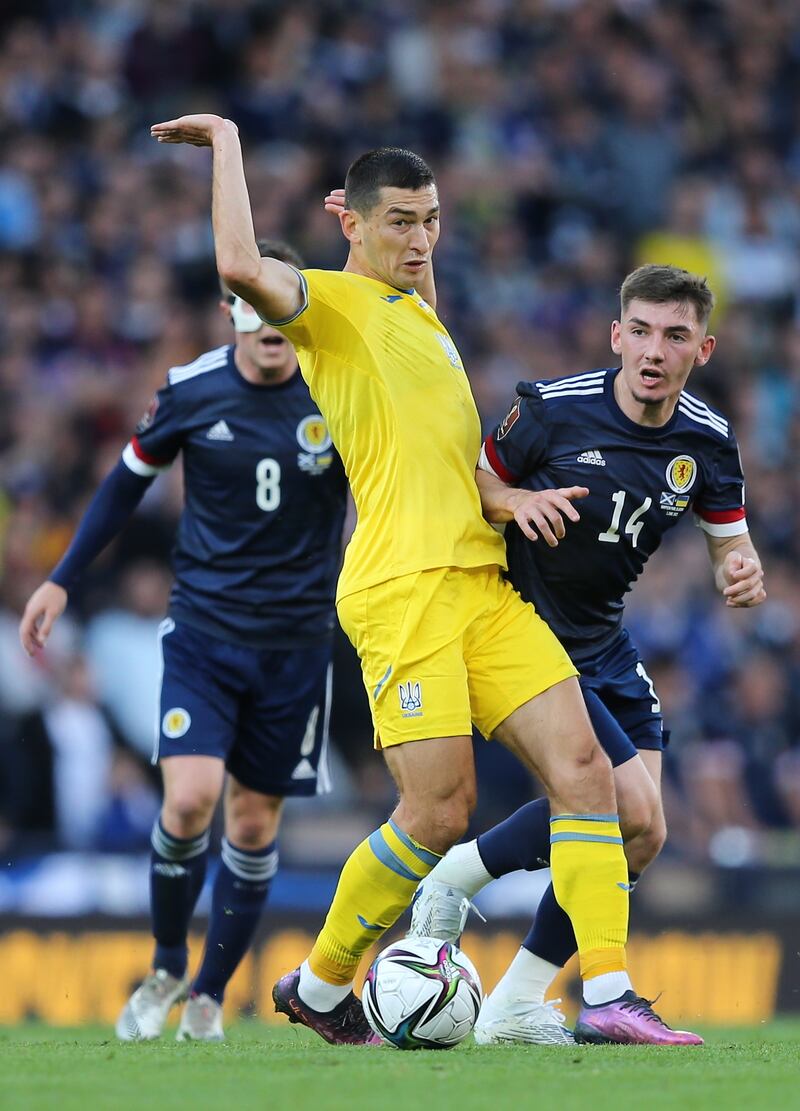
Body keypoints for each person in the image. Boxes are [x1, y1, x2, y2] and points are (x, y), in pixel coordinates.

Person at [149, 113, 697, 1046]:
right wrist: (231, 144)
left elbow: (454, 459)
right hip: (402, 590)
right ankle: (321, 986)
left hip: (482, 586)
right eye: (400, 220)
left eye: (433, 219)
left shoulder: (425, 325)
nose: (421, 238)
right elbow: (242, 266)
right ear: (351, 223)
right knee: (439, 810)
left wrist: (506, 501)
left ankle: (605, 993)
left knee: (588, 774)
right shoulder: (331, 307)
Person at [410, 264, 765, 1044]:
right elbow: (467, 481)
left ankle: (507, 999)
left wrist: (739, 569)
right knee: (619, 804)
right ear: (615, 335)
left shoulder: (706, 439)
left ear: (700, 349)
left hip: (604, 638)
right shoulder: (551, 410)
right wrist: (512, 499)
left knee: (645, 833)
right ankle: (594, 983)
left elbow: (728, 544)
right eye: (639, 330)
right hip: (522, 631)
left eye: (674, 335)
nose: (653, 349)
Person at [19, 241, 349, 1042]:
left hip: (298, 645)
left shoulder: (338, 393)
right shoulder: (192, 391)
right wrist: (61, 576)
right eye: (252, 299)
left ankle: (208, 991)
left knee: (252, 824)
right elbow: (123, 486)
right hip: (204, 633)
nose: (268, 317)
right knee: (190, 799)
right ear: (231, 308)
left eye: (283, 300)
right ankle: (167, 961)